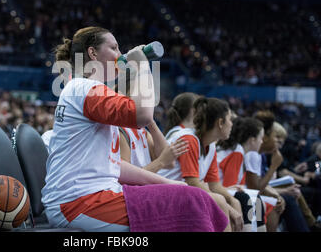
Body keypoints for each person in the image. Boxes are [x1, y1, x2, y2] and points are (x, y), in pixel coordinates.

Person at [41, 26, 229, 232]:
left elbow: (115, 166)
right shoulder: (84, 88)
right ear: (92, 53)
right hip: (78, 202)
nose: (119, 54)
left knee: (191, 195)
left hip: (83, 198)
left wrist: (168, 183)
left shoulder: (81, 89)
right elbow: (143, 115)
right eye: (113, 48)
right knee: (191, 203)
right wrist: (142, 66)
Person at [158, 93, 244, 232]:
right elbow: (193, 183)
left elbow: (214, 185)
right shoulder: (189, 139)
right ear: (220, 123)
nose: (232, 124)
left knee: (237, 201)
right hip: (162, 193)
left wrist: (233, 201)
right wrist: (229, 208)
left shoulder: (211, 146)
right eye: (229, 119)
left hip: (181, 192)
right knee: (220, 202)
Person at [254, 111, 309, 232]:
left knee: (290, 192)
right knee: (285, 197)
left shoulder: (260, 155)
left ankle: (311, 222)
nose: (279, 143)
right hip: (250, 195)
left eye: (281, 140)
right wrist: (274, 168)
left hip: (256, 192)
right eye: (277, 138)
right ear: (265, 137)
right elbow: (256, 188)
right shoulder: (254, 154)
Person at [216, 117, 268, 231]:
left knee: (259, 202)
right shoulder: (237, 152)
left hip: (220, 189)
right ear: (252, 140)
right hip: (217, 191)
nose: (262, 141)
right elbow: (230, 185)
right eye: (261, 138)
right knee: (252, 201)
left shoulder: (239, 151)